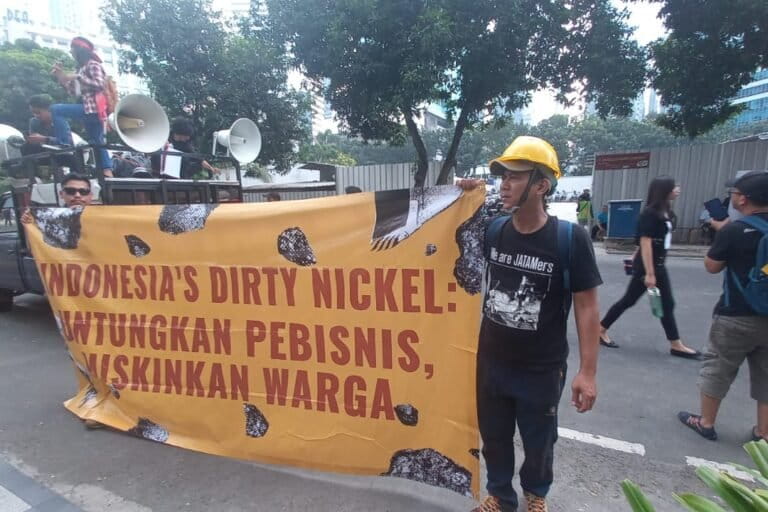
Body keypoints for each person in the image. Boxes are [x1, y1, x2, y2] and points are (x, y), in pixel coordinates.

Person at [462, 136, 602, 512]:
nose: (504, 184)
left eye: (515, 176)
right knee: (494, 437)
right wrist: (462, 197)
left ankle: (535, 494)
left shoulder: (568, 239)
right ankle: (500, 497)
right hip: (491, 361)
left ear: (541, 185)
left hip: (542, 368)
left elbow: (587, 307)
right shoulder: (494, 230)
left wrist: (588, 372)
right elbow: (449, 236)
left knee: (540, 441)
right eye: (502, 176)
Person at [678, 171, 768, 442]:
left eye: (735, 194)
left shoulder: (735, 229)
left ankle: (706, 422)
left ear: (744, 200)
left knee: (718, 367)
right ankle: (763, 432)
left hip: (736, 313)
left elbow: (712, 266)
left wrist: (723, 233)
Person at [599, 176, 699, 358]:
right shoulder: (650, 213)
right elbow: (645, 241)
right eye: (674, 186)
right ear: (664, 190)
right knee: (631, 300)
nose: (677, 189)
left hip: (658, 264)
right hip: (649, 267)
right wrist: (650, 273)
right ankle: (600, 328)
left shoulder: (665, 211)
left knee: (663, 303)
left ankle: (676, 344)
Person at [50, 36, 113, 177]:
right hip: (89, 109)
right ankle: (107, 171)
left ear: (79, 51)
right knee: (97, 142)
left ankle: (64, 144)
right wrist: (61, 76)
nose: (71, 53)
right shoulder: (80, 69)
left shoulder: (93, 65)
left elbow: (100, 84)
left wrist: (77, 77)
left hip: (92, 108)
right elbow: (73, 92)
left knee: (56, 109)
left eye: (72, 50)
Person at [151, 117, 220, 179]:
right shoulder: (164, 136)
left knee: (190, 160)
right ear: (179, 134)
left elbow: (198, 159)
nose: (188, 138)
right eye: (187, 135)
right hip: (160, 171)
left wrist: (211, 168)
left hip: (180, 174)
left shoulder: (185, 145)